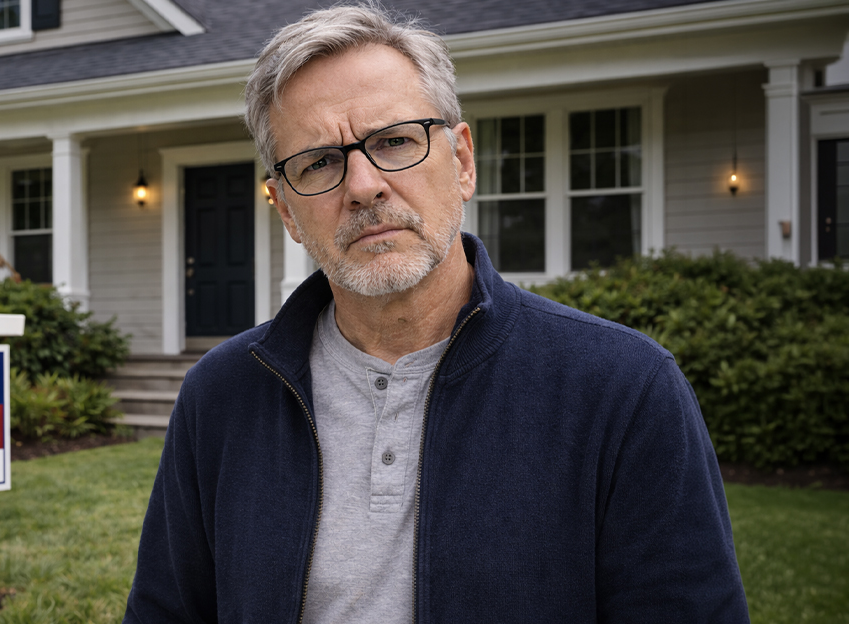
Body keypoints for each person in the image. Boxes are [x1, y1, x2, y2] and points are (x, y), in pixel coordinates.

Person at [123, 4, 750, 623]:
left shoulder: (625, 389)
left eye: (395, 141)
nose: (364, 186)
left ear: (464, 161)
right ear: (286, 209)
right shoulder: (222, 395)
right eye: (319, 162)